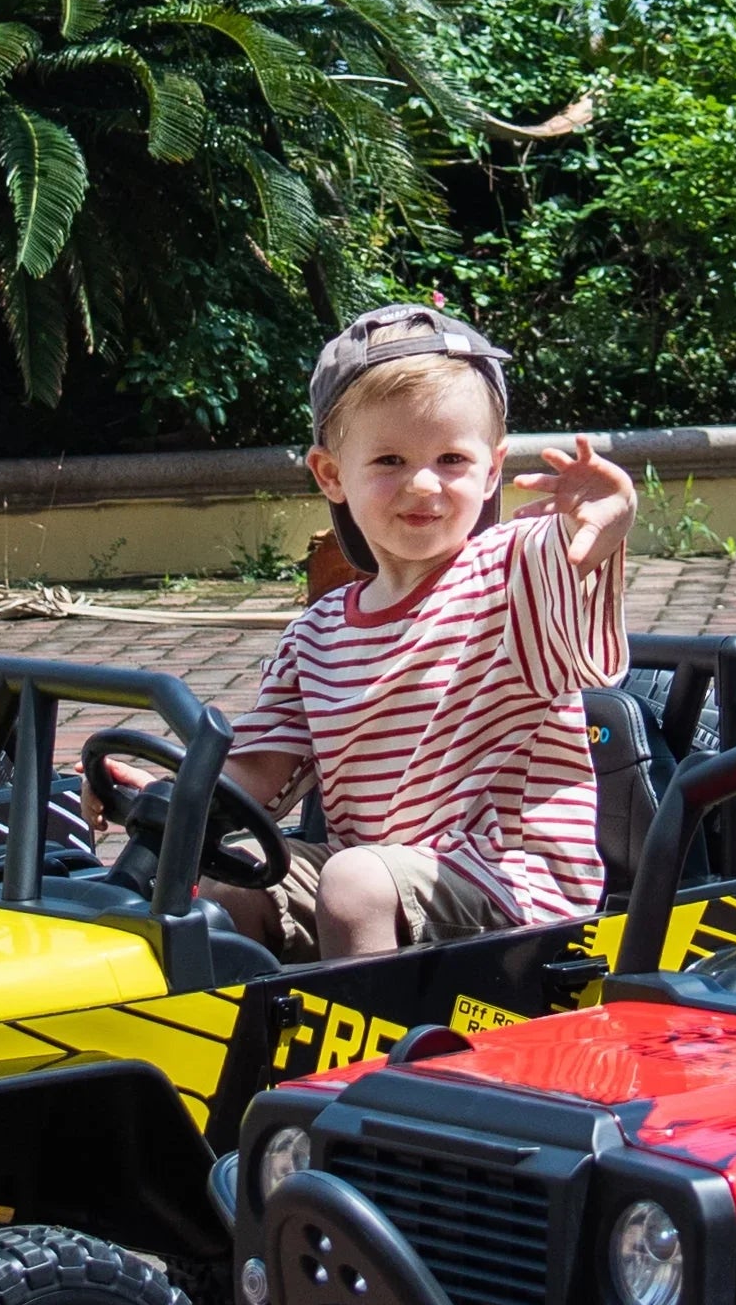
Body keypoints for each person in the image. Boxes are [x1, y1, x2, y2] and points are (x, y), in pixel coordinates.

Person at [209, 303, 635, 962]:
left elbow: (569, 551)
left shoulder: (512, 574)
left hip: (515, 886)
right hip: (376, 875)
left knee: (354, 883)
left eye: (451, 458)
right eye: (389, 459)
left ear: (492, 469)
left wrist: (605, 519)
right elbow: (258, 769)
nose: (424, 483)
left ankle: (375, 1059)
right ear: (331, 475)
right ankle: (234, 1055)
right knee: (229, 877)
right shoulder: (316, 634)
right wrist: (166, 795)